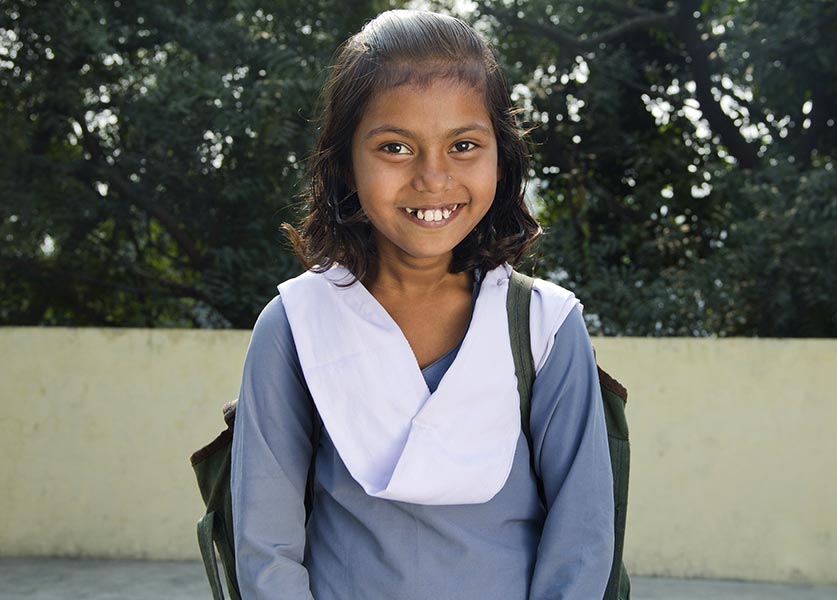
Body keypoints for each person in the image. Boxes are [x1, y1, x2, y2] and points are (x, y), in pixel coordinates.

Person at [231, 9, 615, 599]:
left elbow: (582, 541)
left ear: (502, 156)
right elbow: (266, 551)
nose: (433, 178)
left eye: (464, 144)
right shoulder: (295, 325)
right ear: (345, 162)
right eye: (395, 147)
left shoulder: (545, 326)